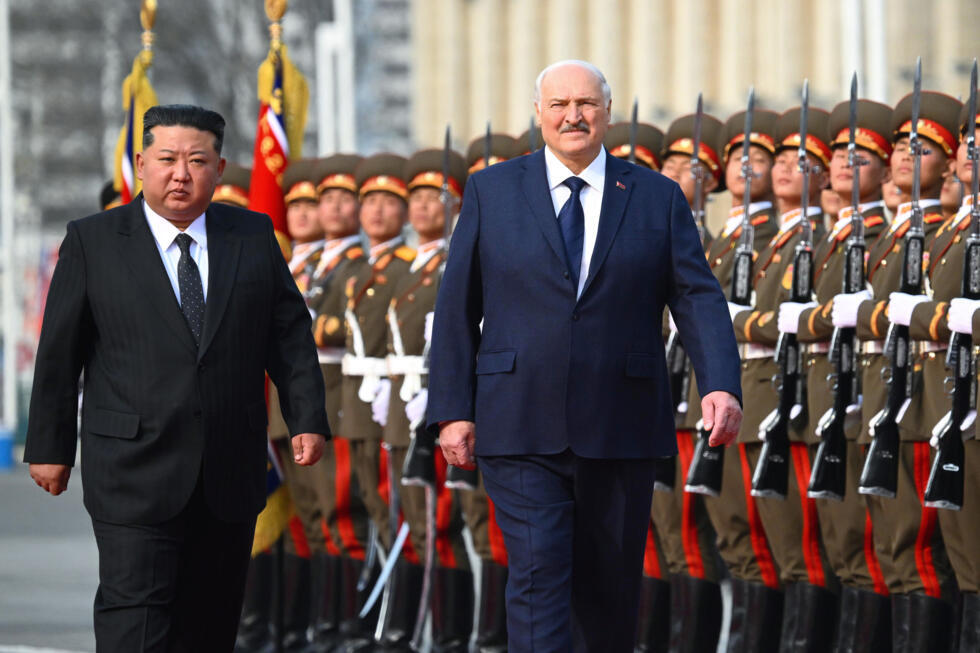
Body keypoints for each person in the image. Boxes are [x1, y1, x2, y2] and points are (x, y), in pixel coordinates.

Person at [426, 60, 742, 652]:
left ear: (607, 113)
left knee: (608, 590)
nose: (573, 116)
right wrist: (452, 410)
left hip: (620, 422)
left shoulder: (655, 195)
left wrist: (720, 383)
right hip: (518, 420)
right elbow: (457, 306)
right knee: (539, 571)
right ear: (538, 114)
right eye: (559, 104)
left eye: (586, 104)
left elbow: (696, 295)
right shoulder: (493, 192)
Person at [24, 104, 329, 652]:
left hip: (227, 471)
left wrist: (306, 416)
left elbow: (288, 335)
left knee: (208, 626)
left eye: (197, 160)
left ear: (219, 167)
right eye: (167, 159)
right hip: (132, 469)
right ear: (142, 163)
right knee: (135, 622)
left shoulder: (251, 235)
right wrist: (51, 446)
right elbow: (59, 354)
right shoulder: (94, 241)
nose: (181, 174)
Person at [847, 90, 961, 650]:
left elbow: (904, 312)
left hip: (921, 401)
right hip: (881, 397)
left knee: (919, 552)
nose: (904, 157)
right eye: (899, 147)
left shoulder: (938, 231)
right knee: (890, 552)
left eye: (923, 148)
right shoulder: (905, 235)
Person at [738, 105, 838, 650]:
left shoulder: (816, 238)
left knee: (806, 549)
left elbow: (791, 318)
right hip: (756, 398)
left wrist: (741, 323)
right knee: (758, 544)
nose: (782, 168)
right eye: (778, 159)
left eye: (801, 161)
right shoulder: (774, 240)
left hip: (793, 397)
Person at [795, 96, 893, 652]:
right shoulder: (834, 238)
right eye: (838, 154)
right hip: (822, 400)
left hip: (865, 400)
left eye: (861, 156)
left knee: (872, 549)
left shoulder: (879, 235)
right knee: (838, 548)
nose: (844, 164)